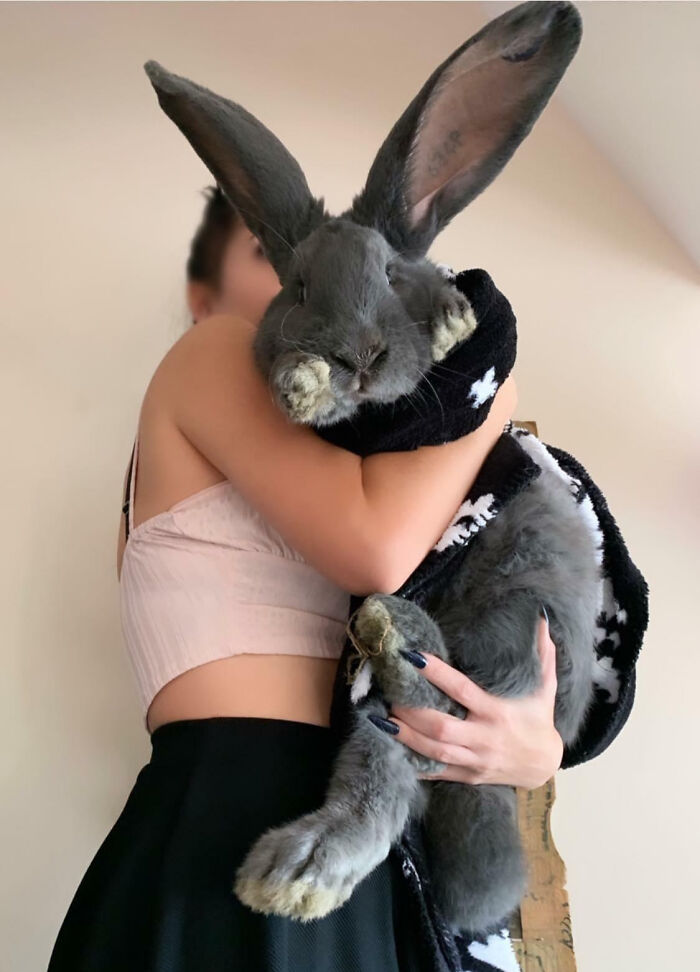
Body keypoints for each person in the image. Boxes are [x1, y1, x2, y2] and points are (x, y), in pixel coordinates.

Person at [46, 185, 561, 972]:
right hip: (237, 810)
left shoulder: (354, 450)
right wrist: (499, 393)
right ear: (201, 291)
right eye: (270, 251)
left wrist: (534, 750)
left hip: (358, 833)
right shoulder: (210, 351)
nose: (313, 272)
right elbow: (374, 550)